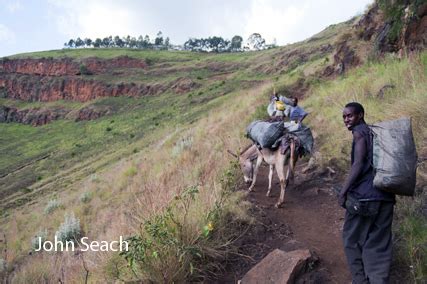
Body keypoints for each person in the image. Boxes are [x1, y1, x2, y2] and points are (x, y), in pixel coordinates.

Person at [339, 102, 395, 284]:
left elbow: (358, 165)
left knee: (351, 239)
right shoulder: (375, 133)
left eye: (350, 115)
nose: (346, 119)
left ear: (360, 115)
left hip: (364, 198)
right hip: (386, 195)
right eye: (344, 117)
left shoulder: (359, 133)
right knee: (378, 244)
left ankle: (360, 281)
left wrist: (343, 192)